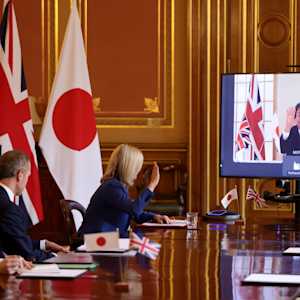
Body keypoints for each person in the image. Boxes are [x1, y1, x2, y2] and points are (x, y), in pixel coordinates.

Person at [78, 144, 171, 238]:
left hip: (106, 240)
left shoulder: (117, 186)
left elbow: (132, 212)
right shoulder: (112, 187)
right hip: (95, 242)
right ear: (129, 167)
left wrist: (154, 217)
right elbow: (134, 210)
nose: (138, 171)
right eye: (137, 167)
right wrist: (152, 185)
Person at [0, 150, 69, 262]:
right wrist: (56, 257)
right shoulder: (8, 208)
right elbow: (26, 253)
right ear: (20, 175)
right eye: (28, 176)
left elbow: (12, 239)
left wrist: (44, 244)